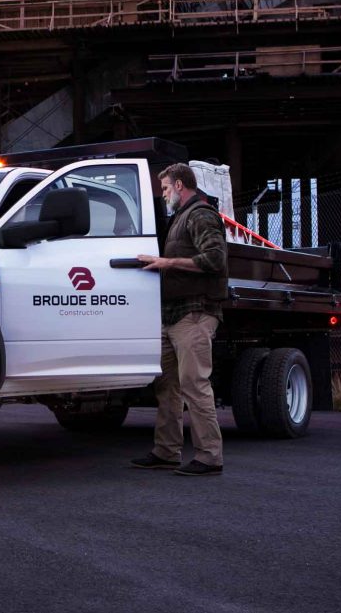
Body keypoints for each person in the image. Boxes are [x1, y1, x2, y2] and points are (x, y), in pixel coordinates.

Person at [130, 163, 229, 476]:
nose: (163, 195)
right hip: (173, 315)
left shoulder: (201, 214)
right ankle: (166, 451)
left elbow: (215, 259)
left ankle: (210, 457)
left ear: (180, 185)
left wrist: (166, 261)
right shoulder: (178, 219)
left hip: (195, 314)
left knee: (194, 385)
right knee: (167, 386)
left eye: (165, 189)